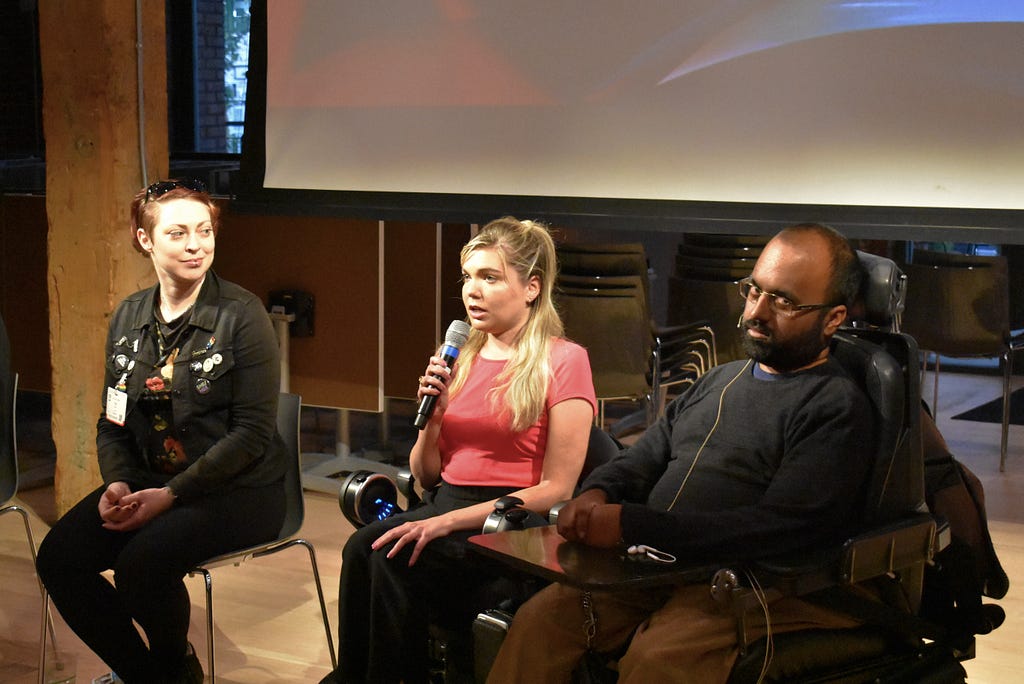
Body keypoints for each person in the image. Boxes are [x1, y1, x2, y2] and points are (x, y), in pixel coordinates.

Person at [487, 222, 875, 683]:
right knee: (541, 622)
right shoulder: (719, 380)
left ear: (833, 318)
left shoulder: (835, 405)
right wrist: (596, 493)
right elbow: (641, 459)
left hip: (750, 581)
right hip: (653, 567)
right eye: (755, 291)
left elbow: (780, 527)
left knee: (657, 661)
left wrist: (634, 524)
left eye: (784, 301)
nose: (757, 311)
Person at [320, 217, 597, 683]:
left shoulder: (564, 360)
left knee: (392, 561)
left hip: (509, 522)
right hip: (447, 500)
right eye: (468, 277)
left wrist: (447, 521)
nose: (473, 291)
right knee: (359, 549)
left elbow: (558, 487)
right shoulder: (460, 356)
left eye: (490, 278)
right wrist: (432, 422)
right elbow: (426, 476)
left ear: (531, 287)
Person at [36, 179, 288, 684]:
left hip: (239, 489)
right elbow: (113, 421)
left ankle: (173, 668)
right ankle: (147, 676)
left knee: (139, 567)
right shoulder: (129, 315)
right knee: (59, 559)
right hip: (150, 481)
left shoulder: (242, 315)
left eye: (205, 231)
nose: (196, 245)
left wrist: (170, 495)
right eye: (178, 233)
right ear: (145, 239)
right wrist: (118, 483)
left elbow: (253, 434)